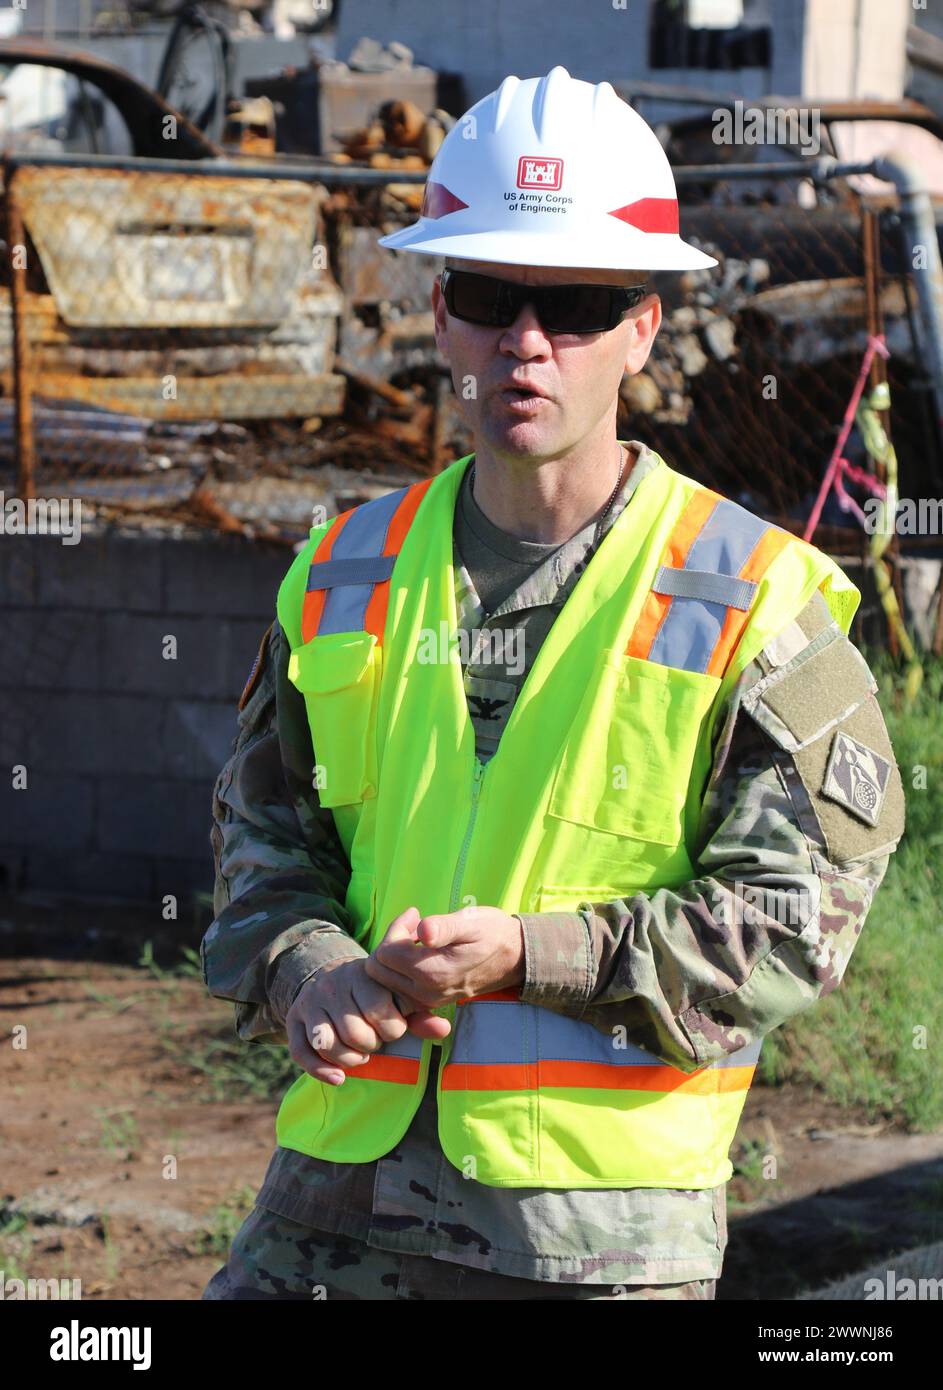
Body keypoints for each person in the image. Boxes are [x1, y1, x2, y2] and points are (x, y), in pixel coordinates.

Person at [200, 67, 904, 1301]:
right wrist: (309, 967)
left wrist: (532, 954)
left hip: (592, 1239)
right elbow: (264, 843)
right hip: (336, 1197)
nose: (525, 341)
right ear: (438, 311)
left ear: (642, 325)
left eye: (574, 303)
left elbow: (797, 925)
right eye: (489, 295)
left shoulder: (753, 596)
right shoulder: (339, 567)